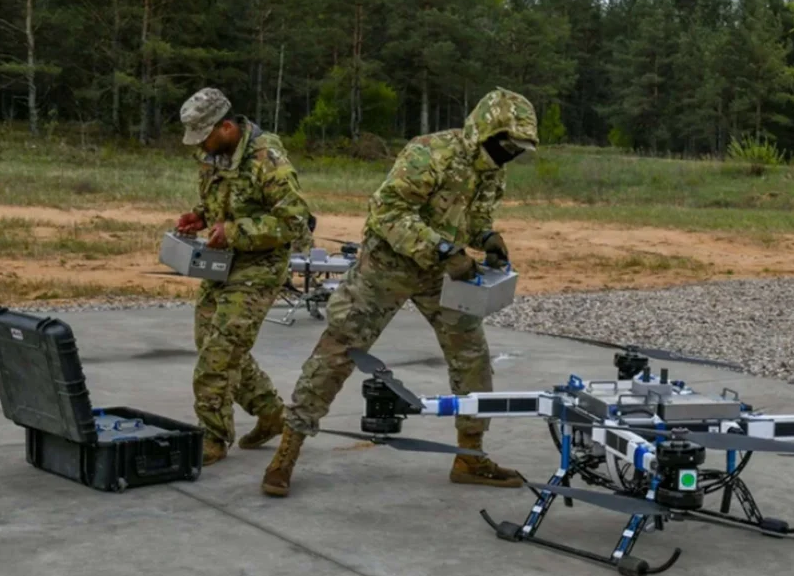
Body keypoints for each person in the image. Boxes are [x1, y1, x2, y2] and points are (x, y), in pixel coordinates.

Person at [261, 87, 539, 497]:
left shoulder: (490, 171)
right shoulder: (430, 153)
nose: (512, 154)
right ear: (486, 131)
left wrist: (487, 236)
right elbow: (387, 212)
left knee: (471, 354)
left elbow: (473, 215)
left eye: (519, 149)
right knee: (338, 350)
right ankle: (286, 452)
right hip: (386, 267)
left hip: (439, 274)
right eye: (509, 144)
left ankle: (470, 456)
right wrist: (444, 249)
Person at [175, 87, 312, 466]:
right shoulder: (213, 154)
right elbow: (218, 200)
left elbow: (295, 220)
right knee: (210, 342)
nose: (200, 146)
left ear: (226, 126)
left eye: (205, 136)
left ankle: (214, 438)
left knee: (218, 356)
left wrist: (233, 231)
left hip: (261, 265)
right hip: (223, 260)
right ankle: (270, 412)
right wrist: (200, 217)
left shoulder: (267, 159)